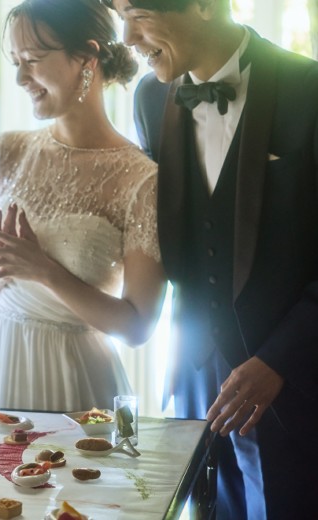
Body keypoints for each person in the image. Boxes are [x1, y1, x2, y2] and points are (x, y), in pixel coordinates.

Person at [106, 0, 318, 517]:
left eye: (137, 14)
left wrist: (279, 360)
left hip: (293, 383)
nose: (128, 37)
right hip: (195, 379)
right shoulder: (150, 97)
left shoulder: (307, 90)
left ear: (202, 5)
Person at [0, 0, 166, 413]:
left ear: (85, 57)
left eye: (31, 59)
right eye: (14, 61)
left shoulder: (139, 179)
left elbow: (137, 325)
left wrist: (43, 270)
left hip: (77, 380)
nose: (19, 77)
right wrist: (9, 262)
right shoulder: (6, 152)